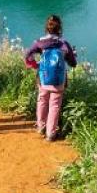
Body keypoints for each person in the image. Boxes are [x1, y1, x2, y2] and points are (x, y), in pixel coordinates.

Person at [24, 14, 77, 142]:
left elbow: (27, 54)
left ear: (47, 28)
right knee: (54, 105)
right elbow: (73, 63)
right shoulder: (64, 44)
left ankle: (41, 127)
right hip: (58, 80)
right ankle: (51, 134)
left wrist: (35, 65)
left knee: (42, 101)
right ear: (59, 28)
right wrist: (72, 55)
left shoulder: (39, 42)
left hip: (43, 78)